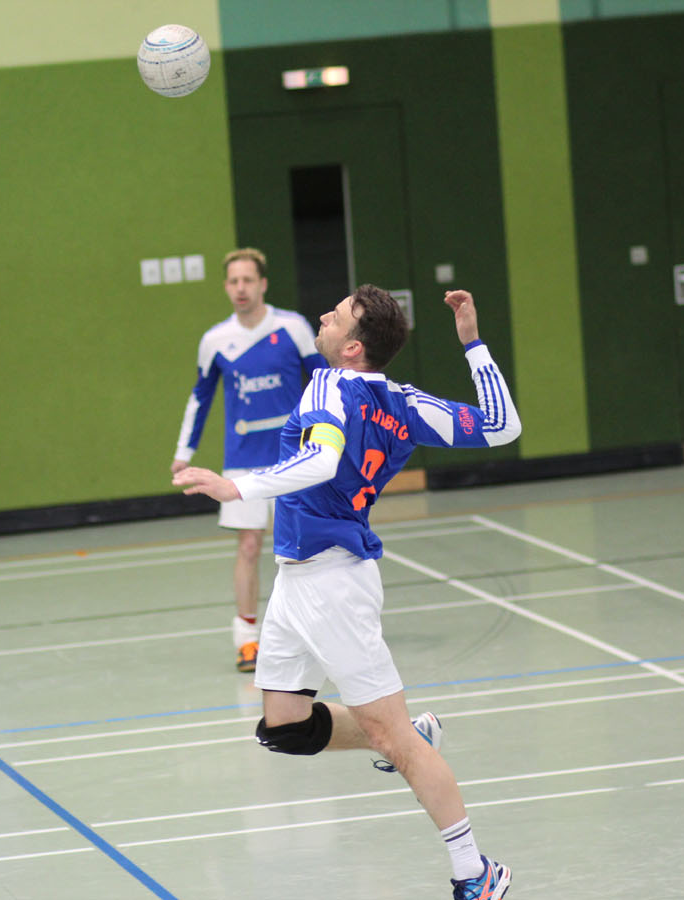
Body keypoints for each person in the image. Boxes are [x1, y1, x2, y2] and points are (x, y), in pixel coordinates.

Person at [172, 286, 520, 899]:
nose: (324, 317)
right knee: (283, 726)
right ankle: (410, 732)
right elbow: (500, 425)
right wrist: (472, 344)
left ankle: (475, 871)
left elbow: (322, 461)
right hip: (298, 579)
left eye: (335, 317)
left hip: (333, 583)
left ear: (353, 347)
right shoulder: (404, 401)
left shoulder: (330, 384)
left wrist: (237, 487)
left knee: (394, 741)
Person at [170, 248, 326, 672]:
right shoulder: (215, 340)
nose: (241, 288)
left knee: (303, 549)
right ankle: (247, 640)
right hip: (242, 461)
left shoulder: (292, 327)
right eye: (234, 281)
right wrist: (184, 453)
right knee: (250, 545)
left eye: (248, 280)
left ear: (263, 284)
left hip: (294, 458)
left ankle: (312, 632)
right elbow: (200, 398)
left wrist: (330, 435)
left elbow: (324, 381)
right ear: (227, 287)